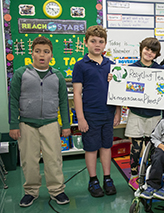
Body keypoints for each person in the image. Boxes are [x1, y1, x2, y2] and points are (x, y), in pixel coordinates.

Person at [9, 36, 71, 207]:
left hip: (51, 124)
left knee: (54, 159)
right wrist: (13, 124)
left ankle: (57, 190)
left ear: (51, 55)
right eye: (38, 51)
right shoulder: (21, 74)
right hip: (27, 125)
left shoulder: (57, 76)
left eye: (46, 52)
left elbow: (64, 102)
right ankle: (30, 191)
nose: (41, 55)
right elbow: (13, 100)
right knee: (29, 160)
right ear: (32, 53)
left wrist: (66, 125)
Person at [72, 25, 121, 197]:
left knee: (107, 146)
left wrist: (118, 112)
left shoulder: (112, 65)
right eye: (93, 41)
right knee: (91, 148)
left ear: (105, 44)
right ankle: (93, 180)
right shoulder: (80, 66)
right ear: (86, 43)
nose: (97, 44)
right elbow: (77, 93)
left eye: (101, 41)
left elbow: (119, 91)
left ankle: (107, 178)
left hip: (108, 113)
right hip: (90, 114)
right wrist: (81, 118)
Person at [127, 37, 164, 191]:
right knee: (135, 147)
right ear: (141, 49)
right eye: (147, 49)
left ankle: (149, 174)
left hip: (154, 115)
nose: (149, 52)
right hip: (136, 114)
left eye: (153, 51)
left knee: (152, 147)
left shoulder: (161, 71)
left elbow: (163, 92)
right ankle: (134, 176)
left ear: (156, 54)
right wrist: (115, 80)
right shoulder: (131, 68)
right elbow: (123, 86)